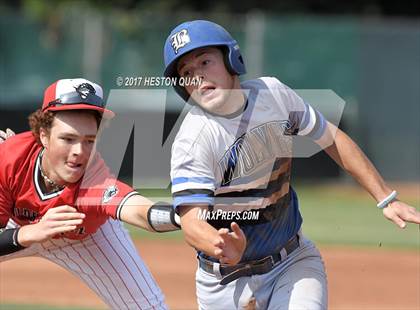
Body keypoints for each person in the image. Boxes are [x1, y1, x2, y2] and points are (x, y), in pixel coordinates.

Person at [163, 20, 420, 309]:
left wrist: (386, 197)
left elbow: (332, 139)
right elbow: (191, 223)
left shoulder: (273, 95)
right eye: (186, 73)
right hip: (224, 284)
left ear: (232, 59)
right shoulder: (192, 139)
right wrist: (221, 245)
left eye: (205, 62)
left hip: (292, 264)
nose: (197, 76)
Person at [0, 78, 182, 310]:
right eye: (68, 138)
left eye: (89, 140)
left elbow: (140, 212)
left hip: (84, 238)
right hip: (19, 227)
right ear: (43, 135)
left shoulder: (95, 179)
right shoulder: (10, 157)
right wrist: (26, 233)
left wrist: (182, 216)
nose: (79, 151)